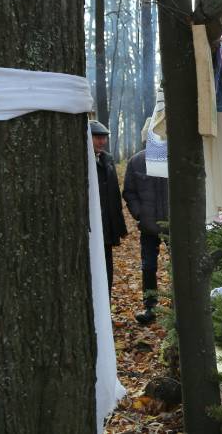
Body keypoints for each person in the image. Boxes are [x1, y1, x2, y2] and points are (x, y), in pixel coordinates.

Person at [123, 134, 171, 325]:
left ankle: (179, 305)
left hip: (175, 224)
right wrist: (139, 214)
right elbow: (129, 191)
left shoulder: (175, 156)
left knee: (180, 265)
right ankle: (150, 307)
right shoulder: (136, 161)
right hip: (148, 226)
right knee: (148, 266)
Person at [91, 119, 128, 294]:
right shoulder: (81, 161)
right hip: (91, 229)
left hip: (106, 228)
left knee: (107, 273)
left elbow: (114, 196)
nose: (102, 141)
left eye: (104, 137)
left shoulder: (107, 159)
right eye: (97, 137)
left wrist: (118, 227)